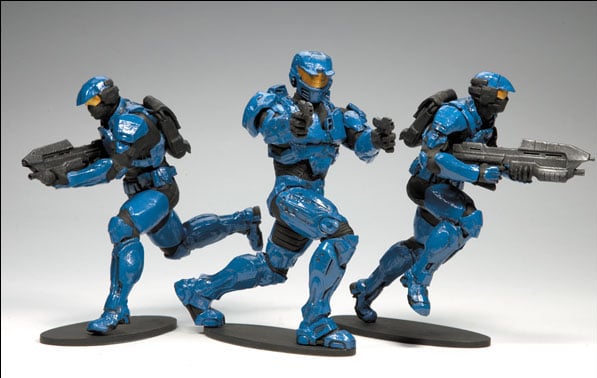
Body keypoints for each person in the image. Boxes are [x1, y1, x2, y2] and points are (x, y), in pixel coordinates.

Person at [174, 50, 396, 350]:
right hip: (289, 194)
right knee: (340, 236)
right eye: (310, 77)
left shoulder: (340, 116)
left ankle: (199, 291)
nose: (317, 83)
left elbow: (362, 147)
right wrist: (290, 125)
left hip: (311, 200)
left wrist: (377, 140)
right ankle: (316, 322)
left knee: (272, 269)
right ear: (295, 77)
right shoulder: (278, 105)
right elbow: (268, 128)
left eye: (323, 78)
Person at [30, 76, 263, 334]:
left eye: (93, 102)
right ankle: (244, 220)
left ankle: (115, 308)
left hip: (158, 189)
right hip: (143, 190)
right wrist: (68, 166)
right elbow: (105, 153)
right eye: (88, 104)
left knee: (122, 228)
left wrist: (65, 179)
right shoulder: (113, 120)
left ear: (108, 98)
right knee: (178, 246)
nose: (90, 108)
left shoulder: (131, 122)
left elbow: (112, 169)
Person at [350, 71, 518, 321]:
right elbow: (430, 157)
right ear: (485, 94)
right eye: (501, 94)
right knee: (469, 220)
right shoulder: (452, 114)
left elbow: (488, 159)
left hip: (449, 189)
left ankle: (367, 288)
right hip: (426, 183)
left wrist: (514, 171)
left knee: (420, 247)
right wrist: (476, 174)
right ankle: (418, 279)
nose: (504, 99)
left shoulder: (486, 121)